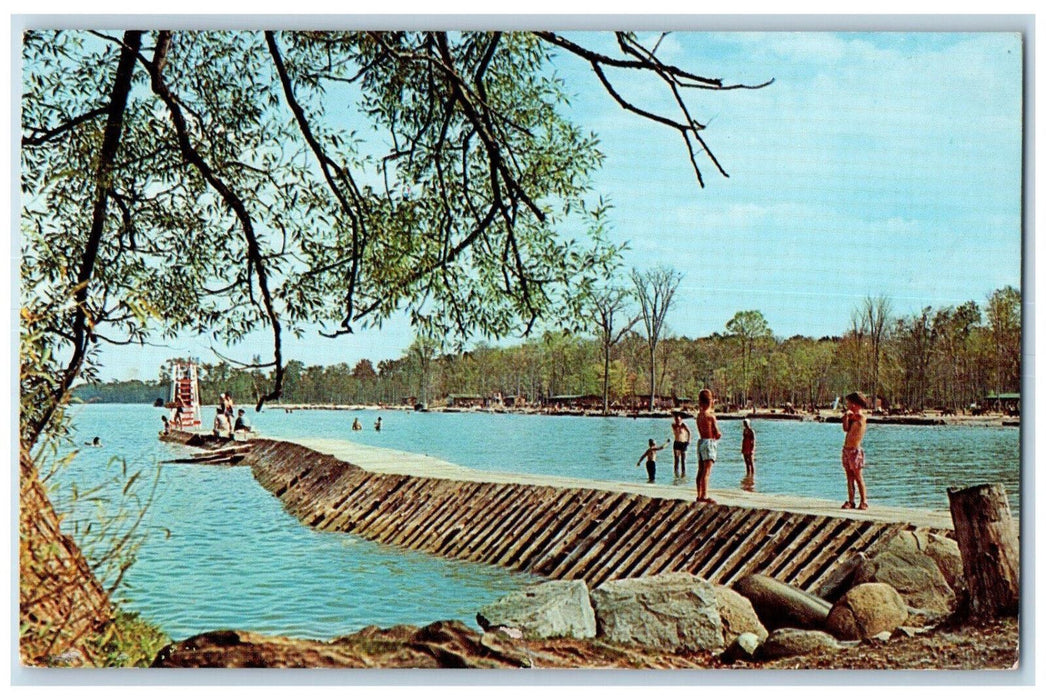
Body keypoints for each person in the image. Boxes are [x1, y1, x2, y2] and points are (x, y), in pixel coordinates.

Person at [841, 391, 870, 510]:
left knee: (858, 476)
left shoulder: (861, 417)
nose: (847, 406)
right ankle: (851, 501)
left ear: (855, 404)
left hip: (855, 451)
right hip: (847, 450)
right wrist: (845, 418)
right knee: (849, 477)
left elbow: (858, 416)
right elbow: (845, 429)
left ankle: (863, 501)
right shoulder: (851, 417)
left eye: (849, 403)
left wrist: (850, 414)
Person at [695, 388, 722, 504]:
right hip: (709, 443)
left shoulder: (699, 416)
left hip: (701, 442)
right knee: (707, 471)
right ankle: (704, 495)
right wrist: (718, 435)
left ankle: (699, 494)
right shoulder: (710, 416)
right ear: (710, 401)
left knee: (700, 470)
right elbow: (716, 432)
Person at [671, 412, 692, 478]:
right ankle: (676, 474)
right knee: (676, 459)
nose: (677, 420)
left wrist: (688, 441)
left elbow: (689, 432)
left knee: (683, 460)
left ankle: (683, 474)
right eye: (676, 419)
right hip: (676, 442)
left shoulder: (683, 425)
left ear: (681, 419)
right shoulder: (673, 425)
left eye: (678, 419)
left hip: (683, 443)